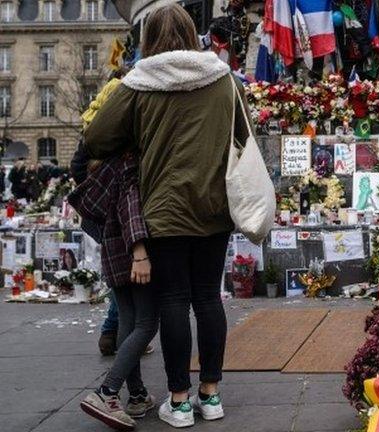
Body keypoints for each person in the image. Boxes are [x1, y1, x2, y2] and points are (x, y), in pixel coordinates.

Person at [83, 4, 253, 427]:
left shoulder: (138, 84)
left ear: (148, 39)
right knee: (209, 298)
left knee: (174, 301)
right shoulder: (224, 80)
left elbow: (97, 138)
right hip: (214, 206)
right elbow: (244, 134)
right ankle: (210, 396)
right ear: (192, 33)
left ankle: (178, 402)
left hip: (162, 210)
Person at [69, 152, 157, 431]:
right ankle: (107, 392)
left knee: (128, 322)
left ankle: (138, 395)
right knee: (146, 324)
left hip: (113, 253)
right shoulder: (127, 162)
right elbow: (131, 207)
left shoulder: (101, 165)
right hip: (131, 253)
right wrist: (140, 252)